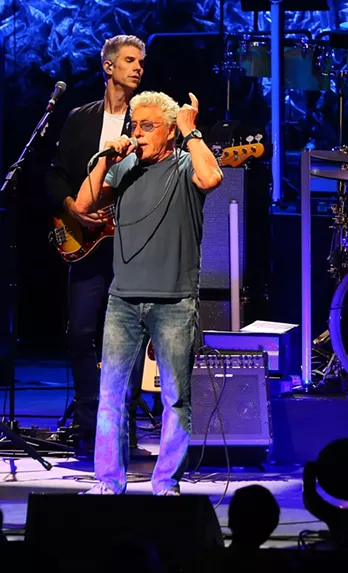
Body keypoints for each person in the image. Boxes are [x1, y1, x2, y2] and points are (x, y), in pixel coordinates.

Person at [77, 90, 223, 494]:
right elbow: (85, 204)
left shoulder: (183, 166)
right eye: (134, 126)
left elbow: (212, 178)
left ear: (170, 130)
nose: (137, 134)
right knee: (111, 396)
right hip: (122, 299)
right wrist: (107, 155)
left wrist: (192, 131)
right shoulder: (126, 168)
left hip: (174, 301)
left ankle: (166, 483)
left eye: (147, 126)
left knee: (175, 398)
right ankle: (108, 481)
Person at [45, 35, 150, 452]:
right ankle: (89, 422)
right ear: (108, 67)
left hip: (129, 244)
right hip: (86, 241)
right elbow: (55, 174)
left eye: (141, 61)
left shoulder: (147, 120)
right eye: (129, 60)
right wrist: (72, 206)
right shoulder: (79, 118)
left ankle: (122, 425)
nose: (138, 67)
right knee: (80, 332)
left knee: (130, 336)